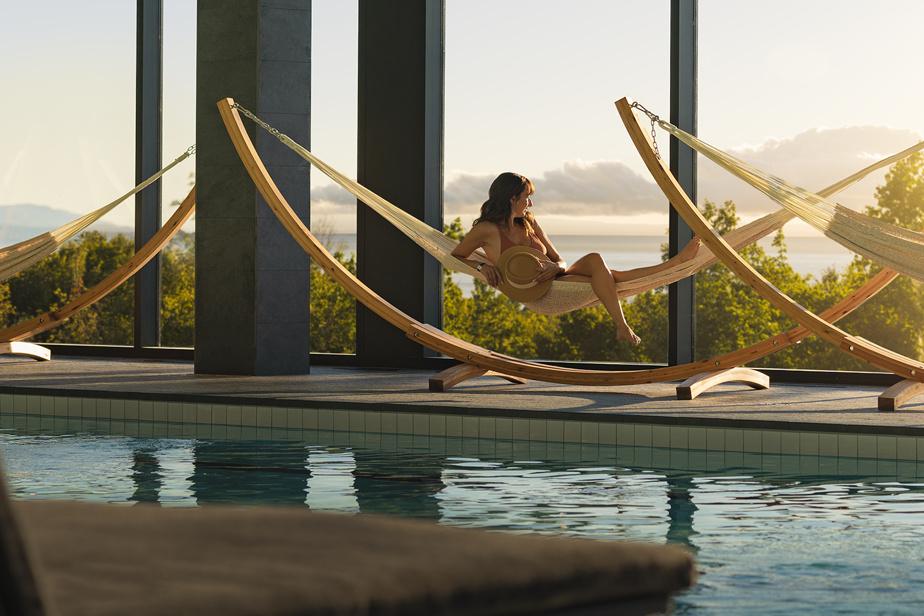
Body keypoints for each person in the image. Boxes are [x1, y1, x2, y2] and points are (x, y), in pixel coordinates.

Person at [451, 172, 701, 346]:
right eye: (526, 196)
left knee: (598, 263)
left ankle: (670, 270)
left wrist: (554, 267)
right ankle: (672, 267)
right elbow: (457, 256)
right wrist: (482, 266)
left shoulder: (530, 222)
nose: (530, 202)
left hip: (558, 279)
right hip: (539, 295)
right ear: (511, 198)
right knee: (611, 278)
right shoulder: (486, 230)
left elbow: (559, 259)